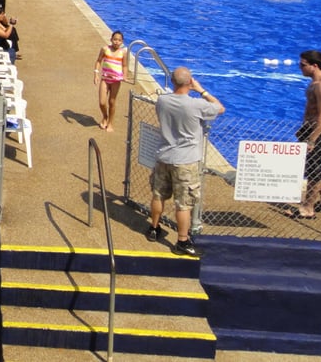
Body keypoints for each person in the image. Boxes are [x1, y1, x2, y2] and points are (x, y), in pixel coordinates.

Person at [146, 67, 224, 256]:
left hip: (164, 155)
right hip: (186, 160)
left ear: (173, 82)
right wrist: (201, 90)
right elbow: (220, 108)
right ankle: (182, 240)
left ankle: (154, 229)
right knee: (184, 204)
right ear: (190, 82)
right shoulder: (196, 105)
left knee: (158, 195)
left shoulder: (163, 101)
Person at [292, 50, 321, 219]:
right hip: (309, 130)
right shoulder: (314, 84)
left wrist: (312, 139)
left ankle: (308, 209)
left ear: (314, 66)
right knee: (309, 167)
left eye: (303, 65)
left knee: (314, 172)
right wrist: (303, 129)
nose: (300, 68)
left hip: (319, 134)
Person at [94, 30, 128, 132]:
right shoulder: (105, 49)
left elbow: (125, 65)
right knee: (102, 102)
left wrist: (125, 75)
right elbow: (99, 61)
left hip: (116, 80)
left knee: (112, 102)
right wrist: (96, 74)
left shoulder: (123, 52)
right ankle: (105, 116)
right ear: (111, 39)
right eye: (115, 39)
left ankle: (110, 123)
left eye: (119, 40)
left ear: (122, 42)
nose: (116, 42)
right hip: (105, 78)